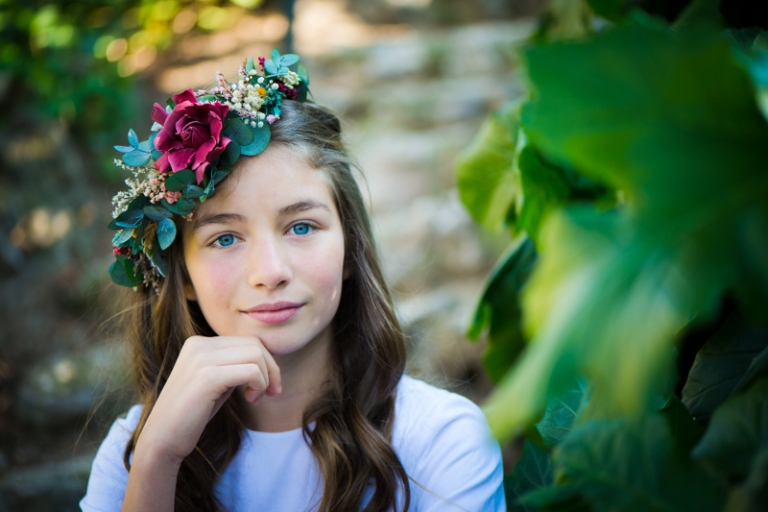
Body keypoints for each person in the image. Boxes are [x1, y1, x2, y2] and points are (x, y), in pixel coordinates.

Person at [81, 51, 505, 512]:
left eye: (301, 227)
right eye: (225, 238)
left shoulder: (442, 440)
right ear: (183, 277)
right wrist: (158, 462)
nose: (270, 272)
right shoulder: (135, 450)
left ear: (349, 250)